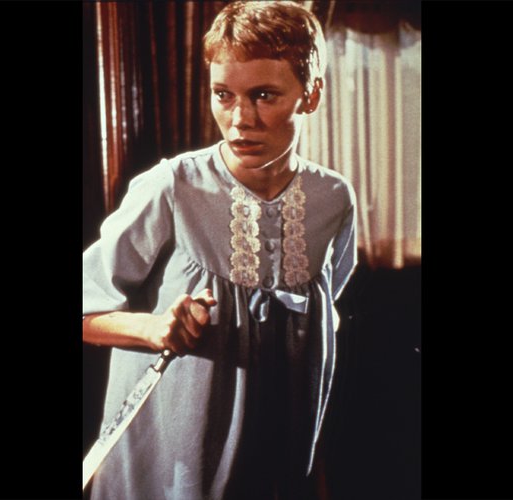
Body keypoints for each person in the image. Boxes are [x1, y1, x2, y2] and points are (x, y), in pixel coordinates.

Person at [82, 1, 356, 498]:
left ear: (311, 95)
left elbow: (323, 318)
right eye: (223, 95)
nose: (240, 119)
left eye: (264, 95)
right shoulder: (172, 186)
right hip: (172, 462)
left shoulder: (333, 198)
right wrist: (152, 328)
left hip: (277, 461)